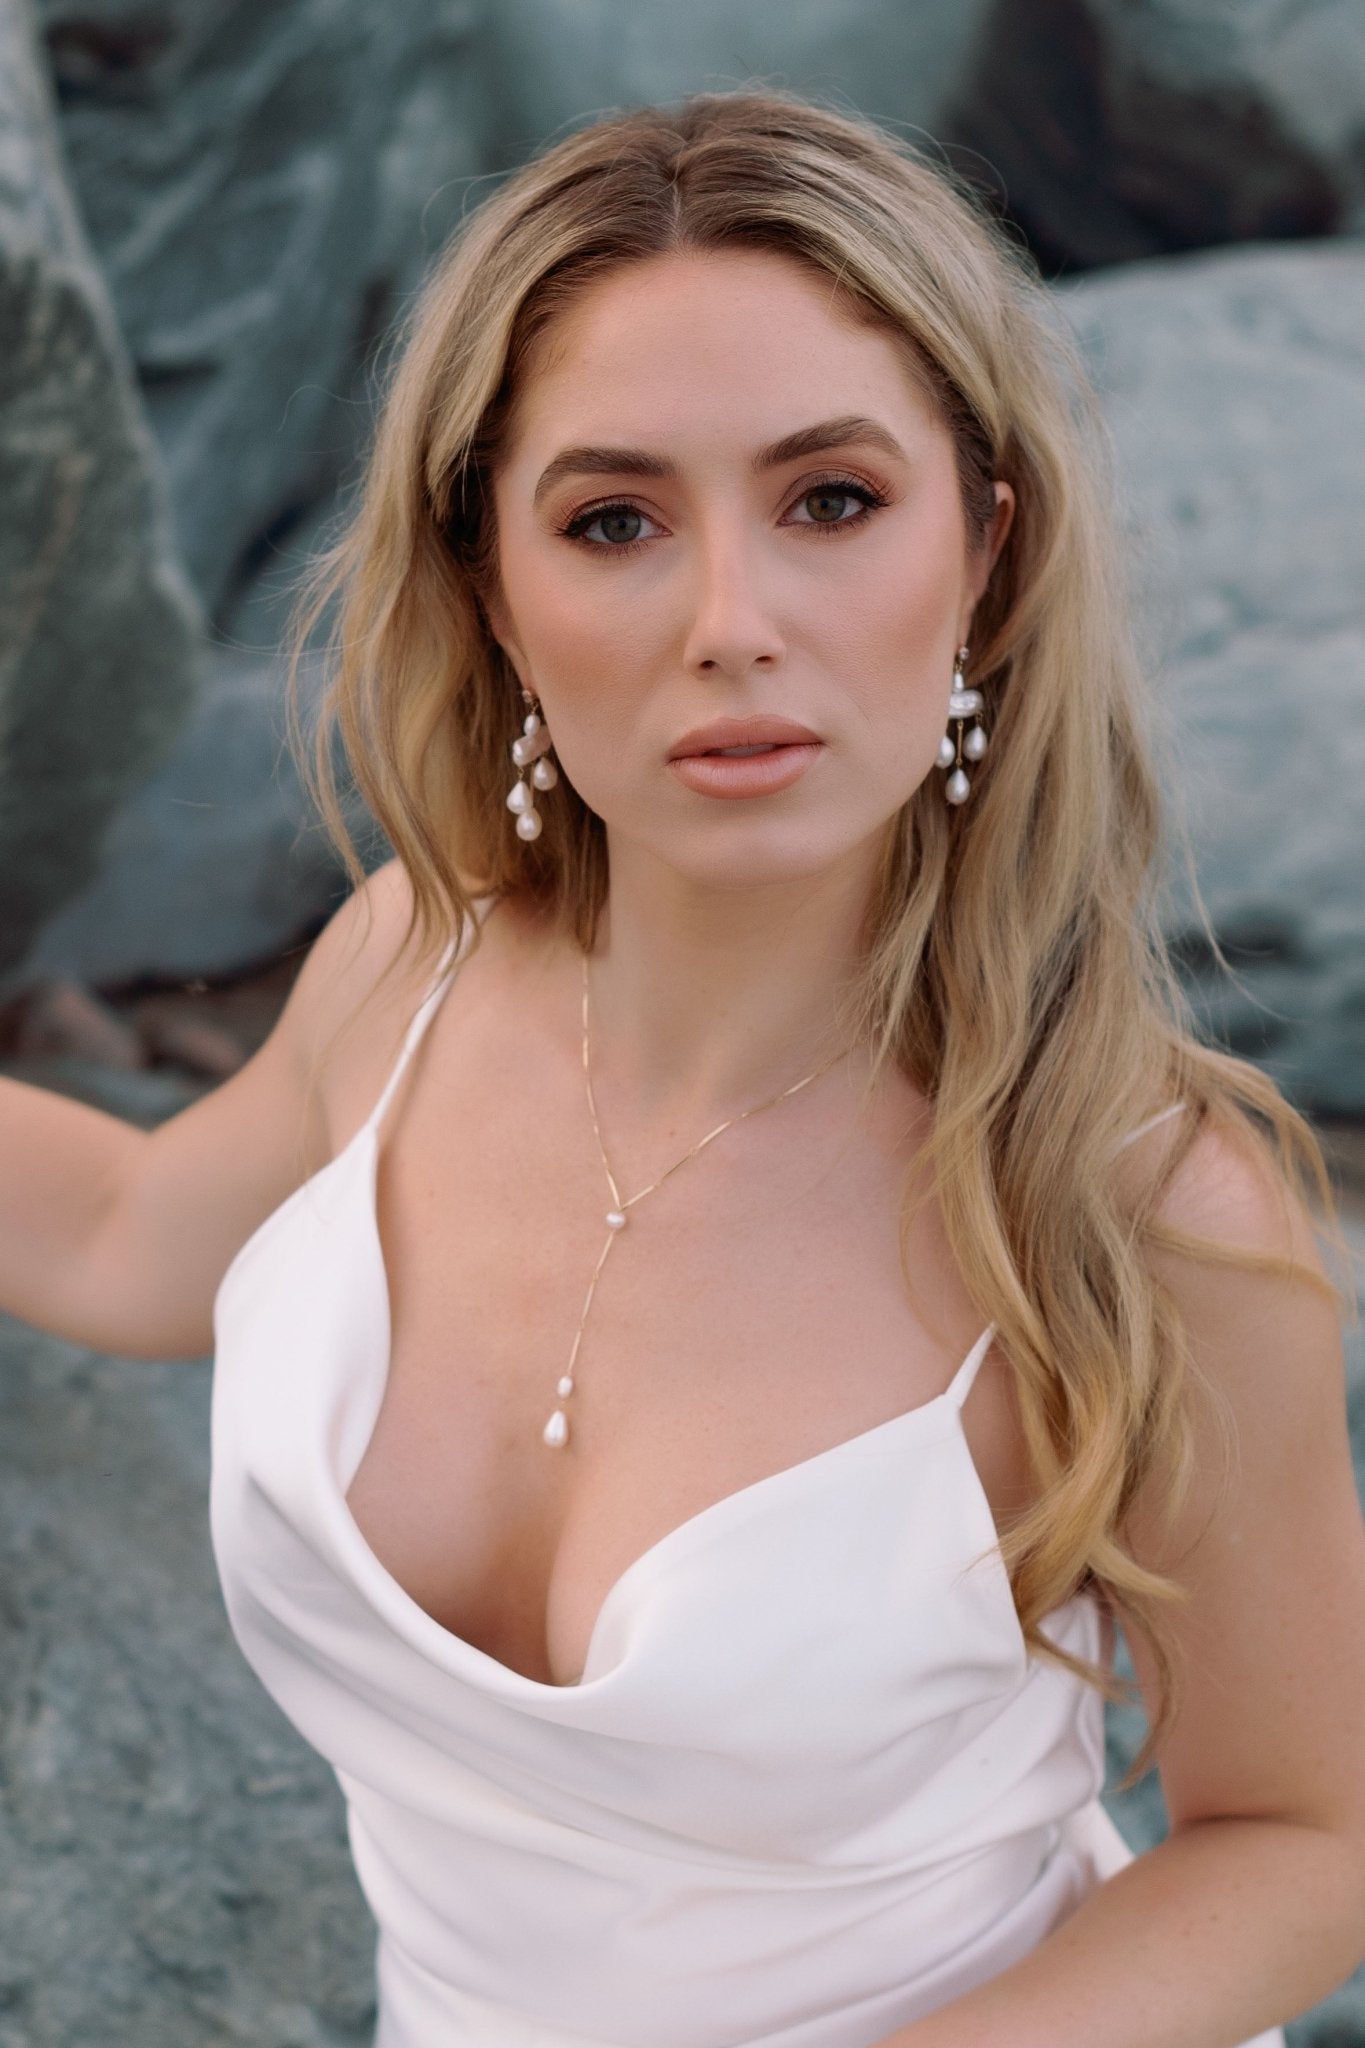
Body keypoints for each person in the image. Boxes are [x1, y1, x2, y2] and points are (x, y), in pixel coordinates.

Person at [4, 86, 1364, 2048]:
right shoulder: (415, 962)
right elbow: (135, 1229)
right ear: (491, 579)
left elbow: (1300, 1838)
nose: (731, 622)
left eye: (829, 500)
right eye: (614, 519)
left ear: (983, 549)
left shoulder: (1137, 1207)